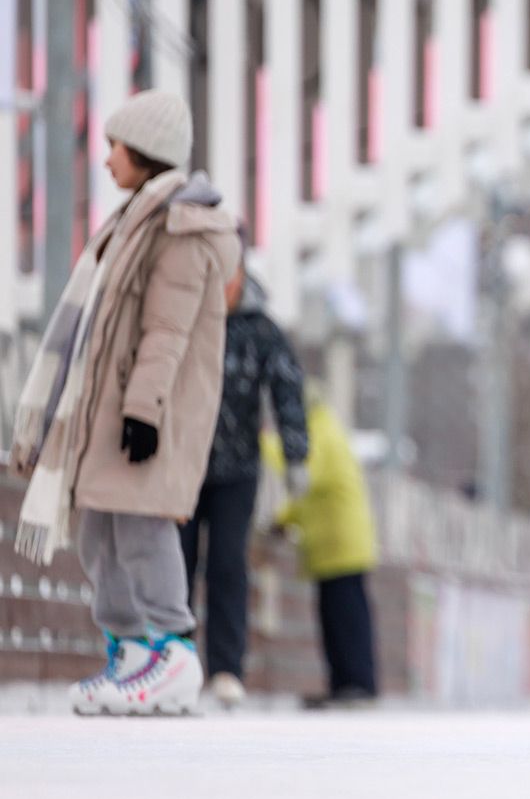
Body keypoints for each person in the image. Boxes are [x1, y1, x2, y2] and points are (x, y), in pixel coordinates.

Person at [7, 90, 239, 716]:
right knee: (99, 533)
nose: (107, 158)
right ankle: (133, 651)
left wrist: (144, 411)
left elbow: (167, 331)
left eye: (116, 146)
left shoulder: (181, 230)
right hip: (106, 411)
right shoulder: (131, 222)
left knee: (141, 529)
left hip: (142, 412)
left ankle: (174, 650)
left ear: (146, 151)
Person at [180, 258, 308, 708]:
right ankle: (175, 659)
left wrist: (296, 455)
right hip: (184, 465)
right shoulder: (185, 316)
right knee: (177, 562)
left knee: (228, 564)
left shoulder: (260, 331)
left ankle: (226, 668)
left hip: (237, 471)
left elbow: (288, 389)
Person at [264, 387, 379, 708]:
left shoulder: (320, 430)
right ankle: (344, 684)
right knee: (336, 618)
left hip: (340, 544)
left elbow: (305, 473)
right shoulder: (325, 426)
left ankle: (357, 683)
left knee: (346, 618)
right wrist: (284, 519)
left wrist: (262, 442)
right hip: (336, 545)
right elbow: (306, 495)